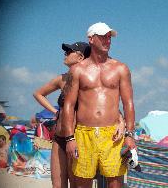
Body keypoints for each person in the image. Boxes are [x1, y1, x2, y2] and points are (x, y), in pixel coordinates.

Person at [34, 42, 125, 188]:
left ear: (80, 57)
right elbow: (38, 93)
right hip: (58, 139)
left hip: (77, 140)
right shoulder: (62, 79)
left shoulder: (89, 79)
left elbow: (108, 104)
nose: (65, 54)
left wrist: (121, 121)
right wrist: (55, 111)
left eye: (69, 51)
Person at [62, 22, 136, 188]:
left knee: (116, 183)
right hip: (83, 134)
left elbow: (128, 103)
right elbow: (69, 105)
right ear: (91, 39)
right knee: (82, 183)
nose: (107, 40)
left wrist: (130, 134)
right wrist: (69, 138)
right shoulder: (78, 70)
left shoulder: (120, 68)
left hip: (113, 135)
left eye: (109, 37)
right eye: (103, 36)